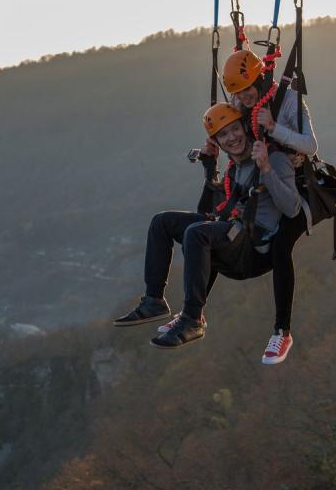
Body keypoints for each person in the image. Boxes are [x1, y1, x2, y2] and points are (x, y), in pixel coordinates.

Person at [113, 104, 301, 351]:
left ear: (245, 127)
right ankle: (154, 300)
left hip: (254, 249)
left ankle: (192, 319)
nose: (232, 137)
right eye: (223, 134)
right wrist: (210, 168)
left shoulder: (272, 158)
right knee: (162, 222)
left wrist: (266, 168)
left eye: (235, 129)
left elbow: (292, 208)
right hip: (233, 236)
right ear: (217, 142)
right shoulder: (234, 170)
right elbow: (208, 213)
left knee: (197, 233)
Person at [222, 49, 319, 363]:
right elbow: (236, 138)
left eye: (247, 89)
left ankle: (282, 332)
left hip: (296, 188)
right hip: (263, 186)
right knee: (217, 225)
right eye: (237, 93)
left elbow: (310, 145)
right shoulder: (242, 106)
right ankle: (193, 313)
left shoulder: (289, 101)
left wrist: (274, 127)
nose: (243, 97)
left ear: (260, 79)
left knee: (281, 246)